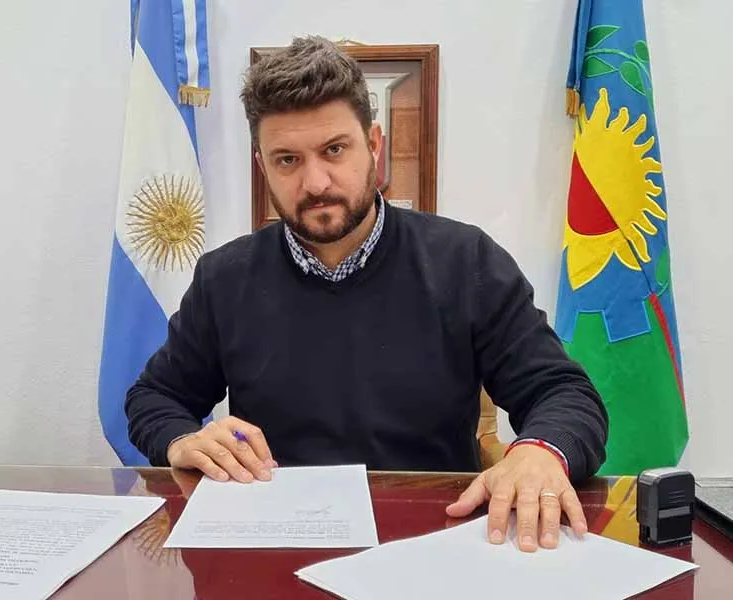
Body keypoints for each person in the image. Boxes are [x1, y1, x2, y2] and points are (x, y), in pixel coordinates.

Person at [125, 35, 609, 553]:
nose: (315, 182)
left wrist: (540, 451)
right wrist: (182, 440)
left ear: (373, 145)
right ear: (262, 166)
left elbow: (565, 394)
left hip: (432, 544)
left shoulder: (466, 262)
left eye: (334, 150)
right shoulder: (225, 278)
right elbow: (154, 397)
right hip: (275, 544)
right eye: (287, 160)